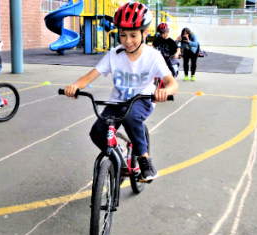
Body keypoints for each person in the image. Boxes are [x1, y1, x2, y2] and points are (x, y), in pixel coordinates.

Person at [63, 2, 178, 180]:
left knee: (129, 115)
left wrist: (165, 91)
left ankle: (144, 159)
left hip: (143, 99)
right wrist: (75, 86)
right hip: (117, 102)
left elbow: (172, 83)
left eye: (133, 35)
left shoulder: (153, 56)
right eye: (123, 35)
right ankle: (118, 157)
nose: (127, 41)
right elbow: (88, 77)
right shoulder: (114, 55)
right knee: (97, 132)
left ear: (145, 33)